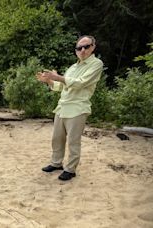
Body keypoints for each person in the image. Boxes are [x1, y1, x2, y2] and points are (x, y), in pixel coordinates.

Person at [36, 35, 103, 181]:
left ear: (93, 47)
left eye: (86, 46)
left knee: (73, 140)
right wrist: (49, 81)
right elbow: (61, 86)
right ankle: (56, 163)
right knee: (57, 138)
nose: (83, 50)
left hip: (78, 107)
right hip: (62, 107)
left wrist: (58, 77)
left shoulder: (96, 64)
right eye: (79, 48)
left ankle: (70, 169)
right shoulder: (73, 67)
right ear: (76, 50)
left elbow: (80, 83)